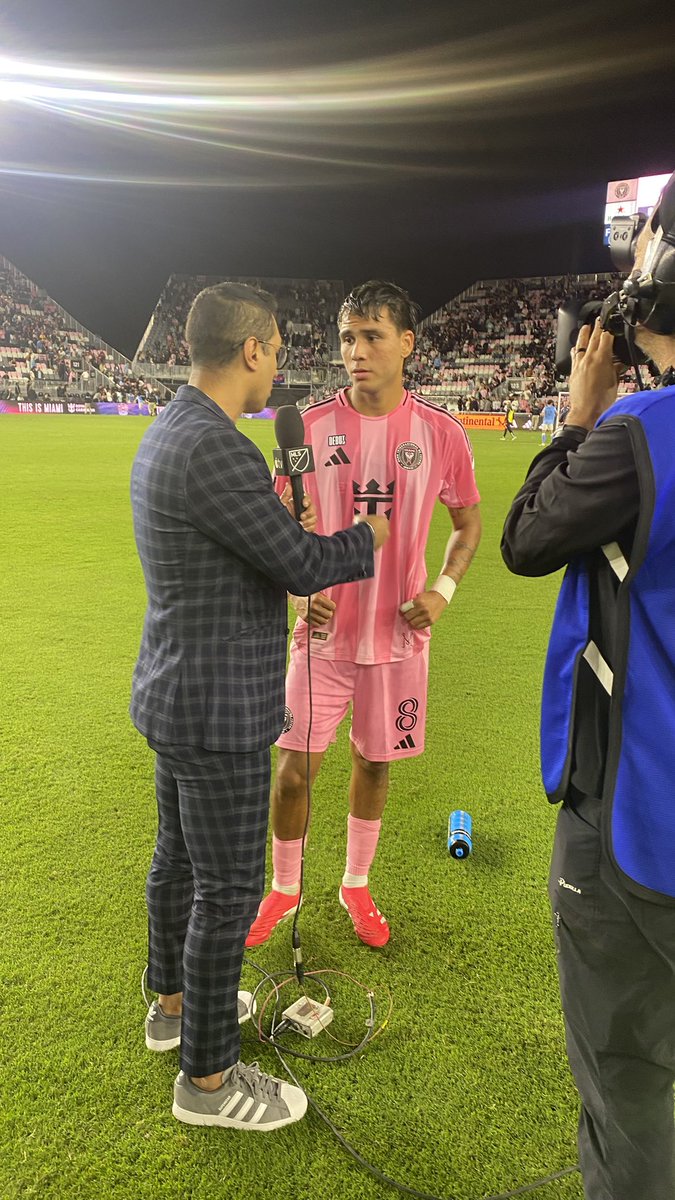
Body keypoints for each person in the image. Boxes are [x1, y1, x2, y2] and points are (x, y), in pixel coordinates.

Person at [129, 281, 388, 1131]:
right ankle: (207, 1082)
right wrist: (364, 541)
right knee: (229, 891)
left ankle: (171, 1006)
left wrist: (286, 574)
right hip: (218, 708)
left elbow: (241, 562)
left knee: (176, 864)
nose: (278, 364)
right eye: (277, 349)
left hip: (177, 691)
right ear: (252, 349)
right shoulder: (220, 449)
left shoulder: (175, 426)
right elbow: (302, 561)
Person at [501, 180, 675, 1200]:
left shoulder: (643, 431)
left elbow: (529, 538)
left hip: (641, 826)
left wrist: (579, 411)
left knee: (628, 1082)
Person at [246, 280, 481, 950]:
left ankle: (355, 882)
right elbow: (277, 524)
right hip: (321, 638)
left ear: (406, 343)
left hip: (399, 640)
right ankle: (283, 888)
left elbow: (466, 525)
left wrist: (442, 590)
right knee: (293, 769)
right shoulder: (310, 428)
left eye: (372, 335)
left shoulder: (439, 433)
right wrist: (297, 589)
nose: (356, 350)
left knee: (374, 764)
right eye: (347, 336)